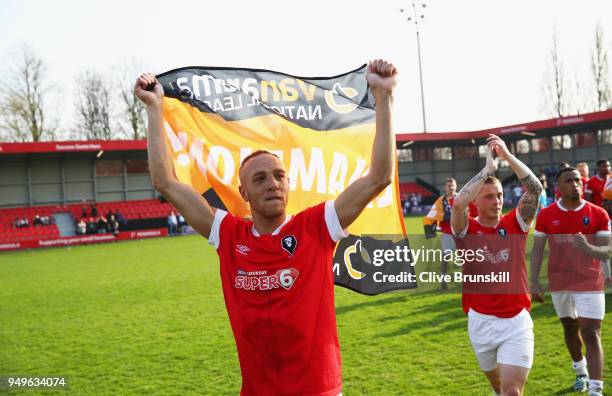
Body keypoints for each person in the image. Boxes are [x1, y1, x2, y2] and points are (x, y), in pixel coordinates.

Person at [135, 59, 397, 396]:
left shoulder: (317, 226)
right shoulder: (228, 235)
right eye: (259, 179)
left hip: (318, 389)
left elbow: (379, 177)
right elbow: (165, 182)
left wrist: (384, 97)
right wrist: (155, 108)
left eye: (279, 176)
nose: (272, 184)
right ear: (243, 192)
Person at [451, 134, 543, 396]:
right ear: (476, 201)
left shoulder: (515, 224)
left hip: (516, 321)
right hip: (481, 322)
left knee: (512, 391)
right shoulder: (466, 229)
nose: (497, 201)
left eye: (499, 195)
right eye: (489, 196)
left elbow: (535, 190)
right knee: (499, 388)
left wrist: (507, 156)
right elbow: (458, 203)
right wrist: (488, 169)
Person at [531, 165, 611, 396]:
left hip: (590, 281)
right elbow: (537, 250)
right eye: (569, 181)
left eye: (577, 180)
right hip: (560, 281)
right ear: (559, 187)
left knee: (591, 333)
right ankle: (580, 371)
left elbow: (607, 251)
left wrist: (588, 247)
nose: (575, 184)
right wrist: (534, 282)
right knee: (570, 327)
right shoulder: (546, 215)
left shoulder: (598, 213)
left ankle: (596, 389)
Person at [423, 178, 477, 289]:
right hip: (447, 233)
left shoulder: (462, 197)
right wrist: (439, 221)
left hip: (462, 233)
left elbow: (471, 211)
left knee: (467, 257)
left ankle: (469, 280)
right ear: (445, 187)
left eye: (452, 185)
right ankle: (443, 280)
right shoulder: (441, 200)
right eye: (448, 186)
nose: (451, 187)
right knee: (445, 258)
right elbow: (432, 214)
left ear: (456, 186)